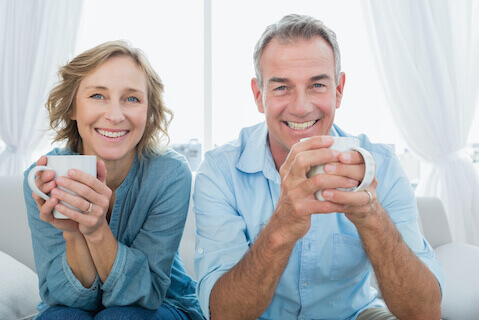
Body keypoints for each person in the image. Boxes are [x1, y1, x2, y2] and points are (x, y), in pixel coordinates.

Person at [193, 14, 444, 320]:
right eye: (282, 88)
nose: (300, 107)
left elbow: (425, 312)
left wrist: (372, 218)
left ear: (338, 90)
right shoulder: (220, 172)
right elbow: (223, 313)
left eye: (317, 85)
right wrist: (282, 226)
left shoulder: (383, 166)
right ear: (259, 96)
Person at [23, 41, 204, 320]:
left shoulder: (169, 174)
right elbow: (62, 297)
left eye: (132, 98)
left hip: (164, 304)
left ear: (149, 111)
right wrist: (73, 233)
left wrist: (96, 232)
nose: (115, 116)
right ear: (72, 107)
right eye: (98, 95)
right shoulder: (41, 178)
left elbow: (148, 293)